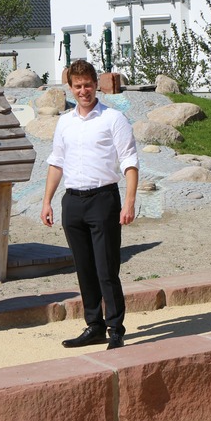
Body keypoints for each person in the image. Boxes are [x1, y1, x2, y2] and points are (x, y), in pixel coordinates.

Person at [41, 59, 138, 350]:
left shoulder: (113, 119)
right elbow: (56, 162)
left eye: (88, 84)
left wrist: (130, 201)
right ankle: (94, 325)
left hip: (103, 200)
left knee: (106, 268)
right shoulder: (65, 122)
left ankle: (115, 329)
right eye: (77, 86)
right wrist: (47, 201)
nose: (83, 90)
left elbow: (130, 161)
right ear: (70, 88)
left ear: (96, 85)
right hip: (73, 201)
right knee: (84, 268)